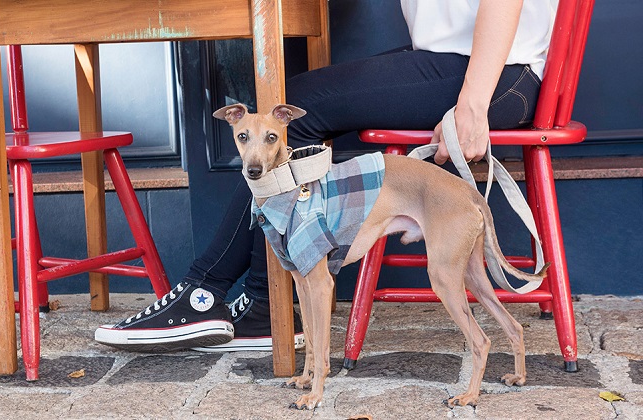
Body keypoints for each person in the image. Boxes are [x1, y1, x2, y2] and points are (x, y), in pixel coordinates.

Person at [94, 0, 558, 352]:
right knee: (298, 101)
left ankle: (231, 298)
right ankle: (243, 301)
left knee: (295, 109)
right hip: (458, 57)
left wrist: (475, 101)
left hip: (496, 70)